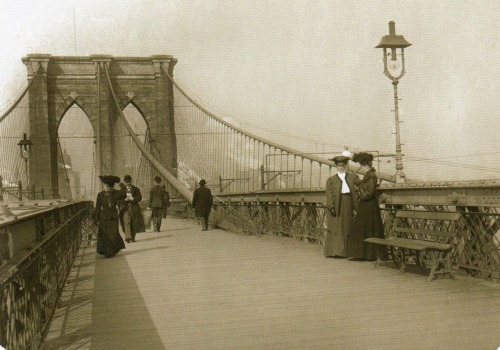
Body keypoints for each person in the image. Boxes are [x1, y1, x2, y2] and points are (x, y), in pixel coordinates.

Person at [348, 152, 386, 261]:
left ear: (366, 165)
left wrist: (359, 194)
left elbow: (369, 192)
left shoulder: (372, 176)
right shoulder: (368, 176)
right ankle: (365, 254)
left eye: (361, 165)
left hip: (369, 206)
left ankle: (369, 255)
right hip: (367, 206)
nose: (361, 168)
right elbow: (366, 189)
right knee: (366, 228)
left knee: (368, 228)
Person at [324, 156, 360, 258]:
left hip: (348, 203)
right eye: (339, 165)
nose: (341, 167)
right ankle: (336, 252)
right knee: (337, 228)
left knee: (347, 226)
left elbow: (358, 188)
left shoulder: (352, 177)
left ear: (345, 166)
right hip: (337, 205)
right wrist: (331, 206)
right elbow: (329, 194)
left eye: (343, 165)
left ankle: (347, 252)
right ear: (336, 166)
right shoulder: (331, 180)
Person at [92, 175, 127, 258]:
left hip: (113, 217)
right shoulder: (100, 195)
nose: (105, 188)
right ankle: (108, 252)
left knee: (113, 235)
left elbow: (125, 194)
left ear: (111, 187)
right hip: (104, 217)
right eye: (105, 186)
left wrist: (114, 191)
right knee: (105, 236)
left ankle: (112, 250)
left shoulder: (115, 193)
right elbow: (97, 207)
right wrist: (96, 218)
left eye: (107, 187)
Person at [118, 175, 145, 243]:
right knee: (126, 222)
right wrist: (125, 200)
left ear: (131, 181)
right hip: (125, 208)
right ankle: (128, 237)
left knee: (134, 222)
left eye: (128, 181)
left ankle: (133, 237)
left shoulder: (136, 189)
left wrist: (133, 199)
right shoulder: (122, 190)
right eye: (126, 181)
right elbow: (118, 201)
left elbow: (139, 198)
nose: (128, 183)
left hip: (134, 207)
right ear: (125, 182)